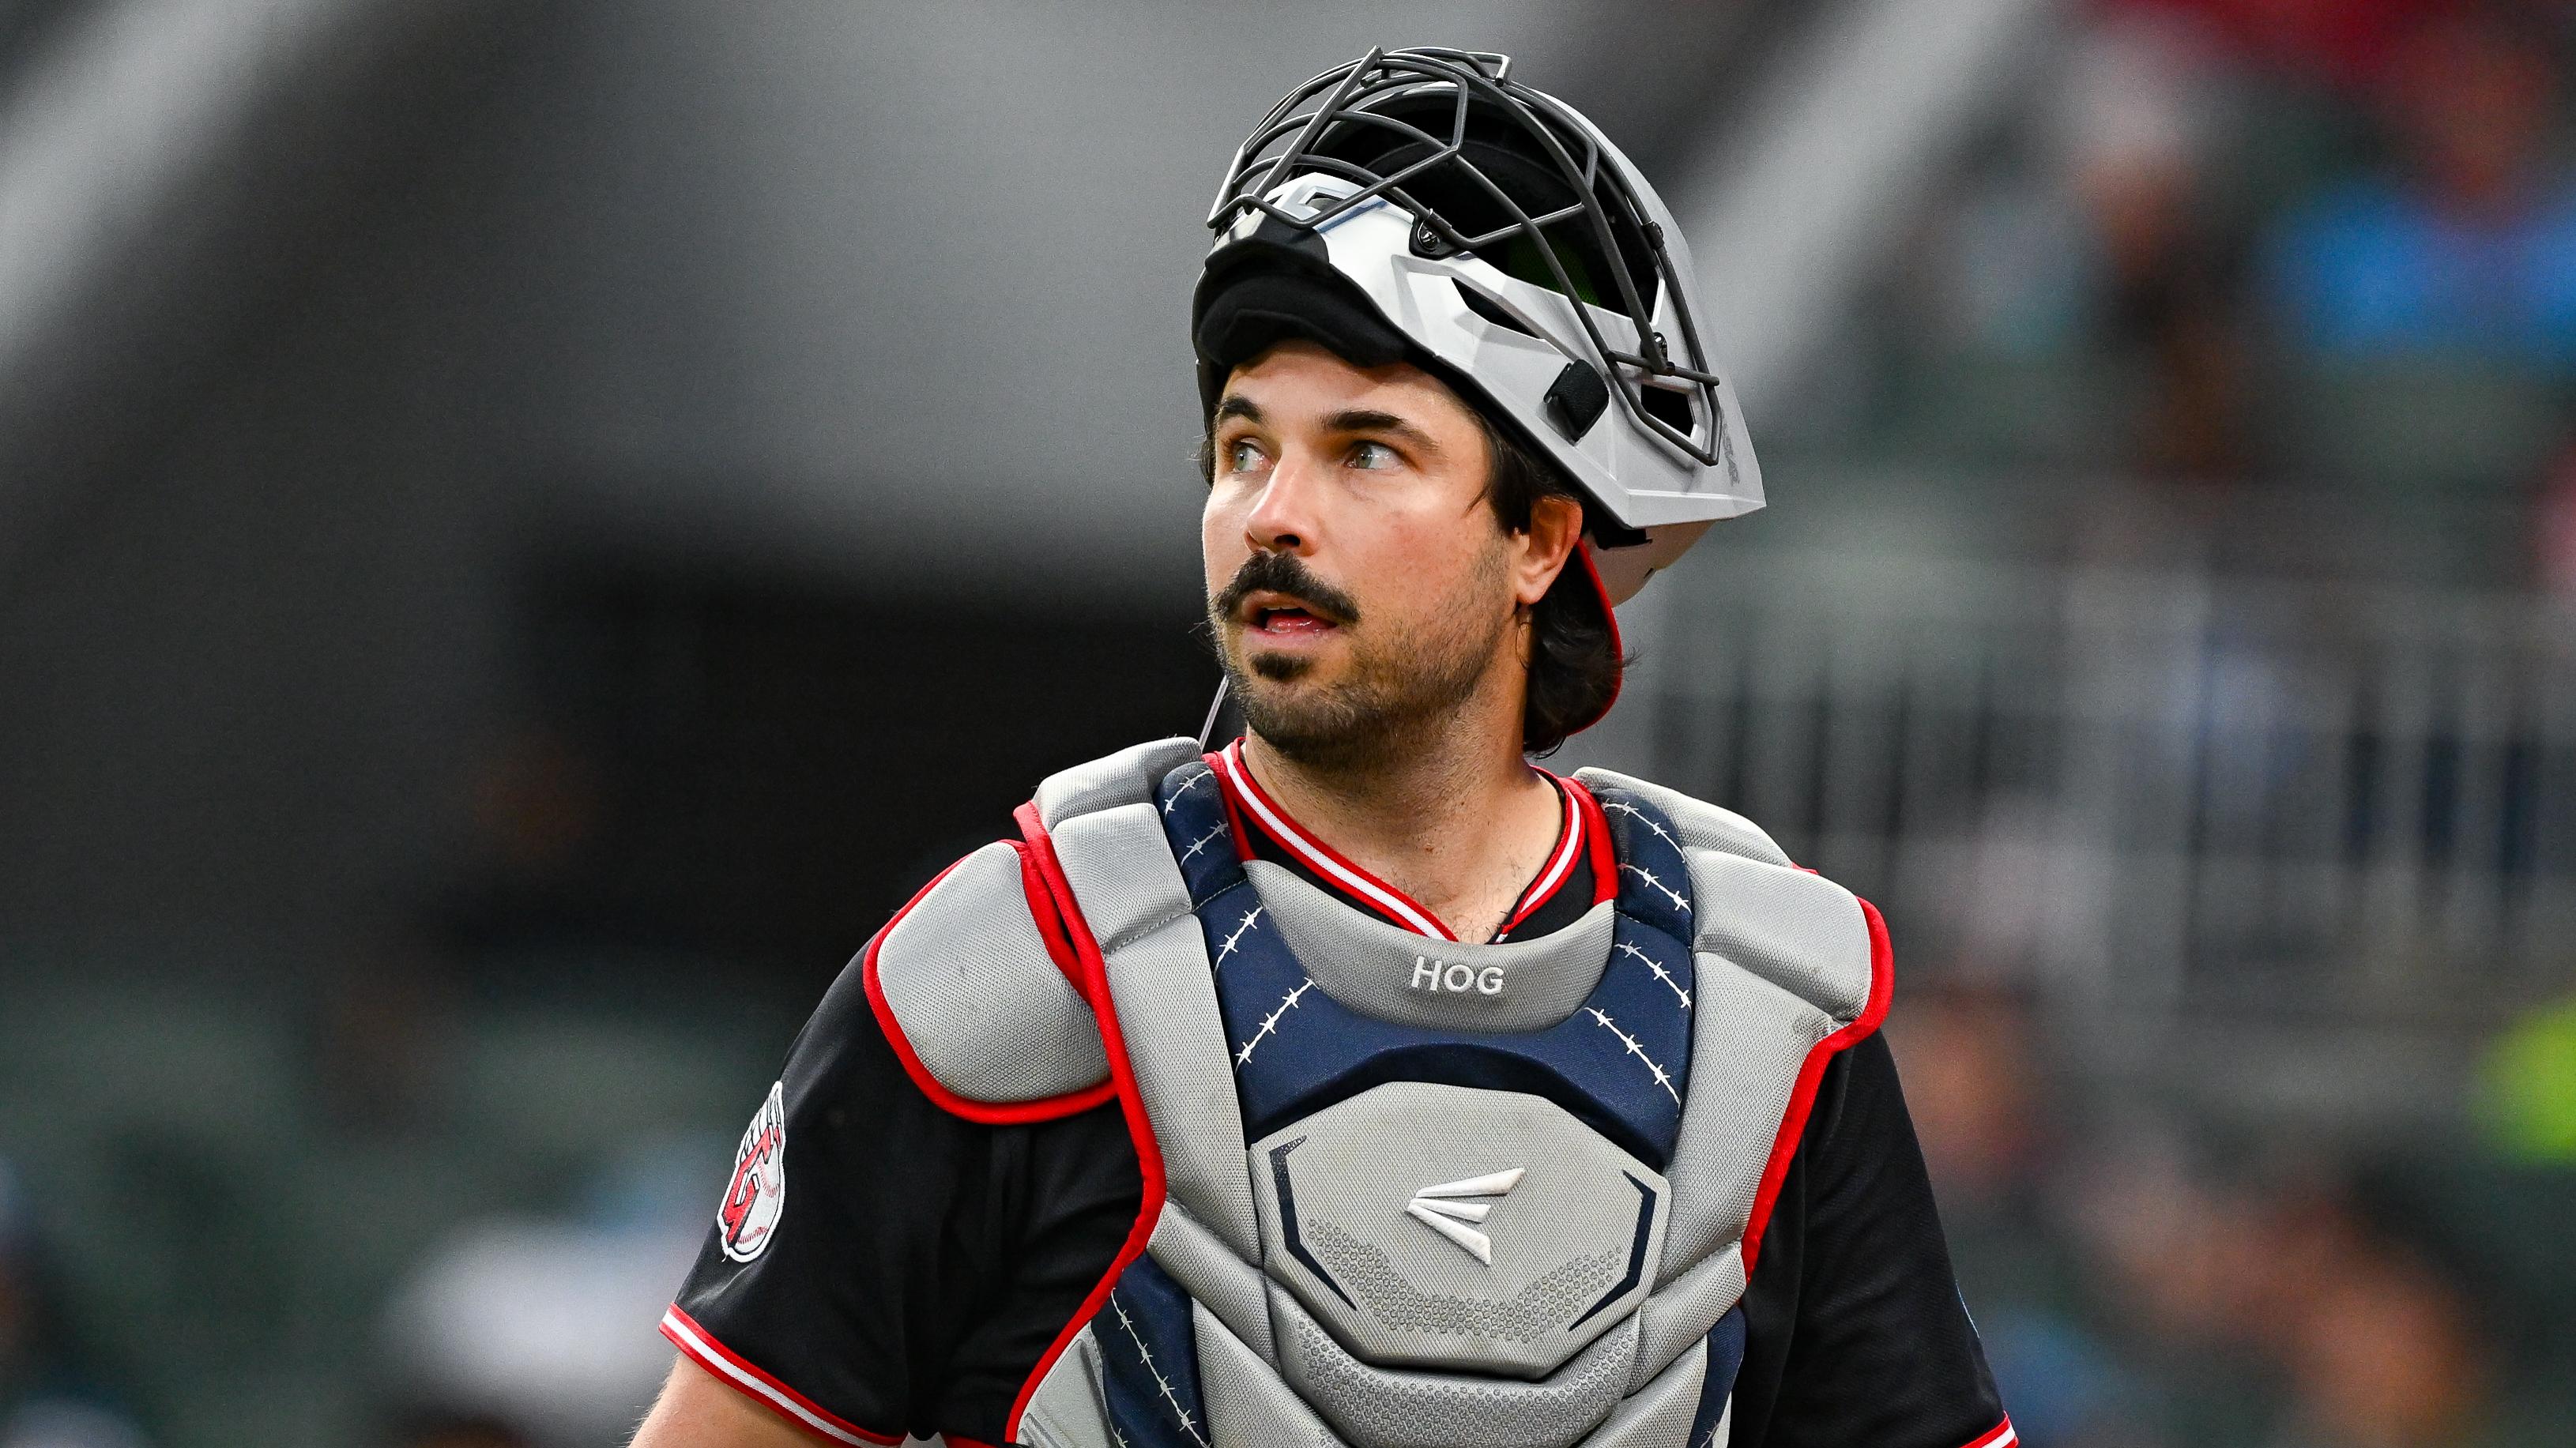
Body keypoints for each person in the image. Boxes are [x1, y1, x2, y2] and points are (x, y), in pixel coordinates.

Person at [631, 47, 2010, 1448]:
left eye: (1367, 452)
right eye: (1245, 448)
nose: (1273, 514)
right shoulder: (1008, 977)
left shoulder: (1768, 1015)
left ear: (1541, 538)